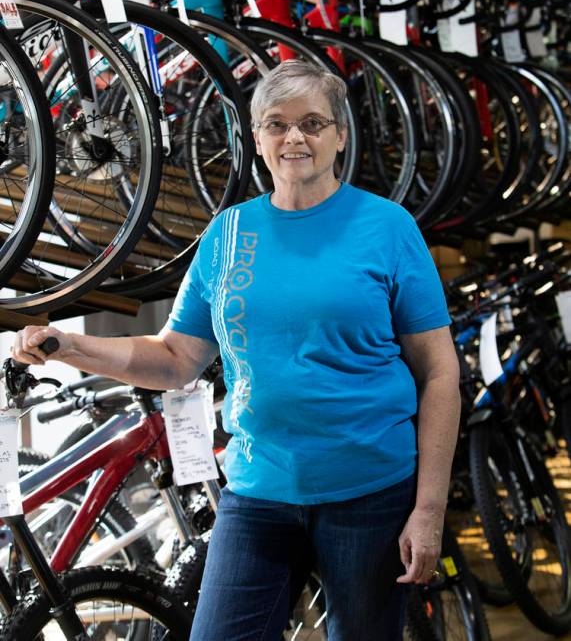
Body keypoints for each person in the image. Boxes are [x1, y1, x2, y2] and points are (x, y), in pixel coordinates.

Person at [14, 59, 461, 641]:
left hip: (370, 492)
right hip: (258, 490)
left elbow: (439, 372)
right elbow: (175, 358)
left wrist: (428, 509)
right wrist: (72, 345)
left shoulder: (387, 227)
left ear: (339, 135)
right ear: (257, 138)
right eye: (276, 124)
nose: (294, 137)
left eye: (312, 123)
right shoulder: (229, 233)